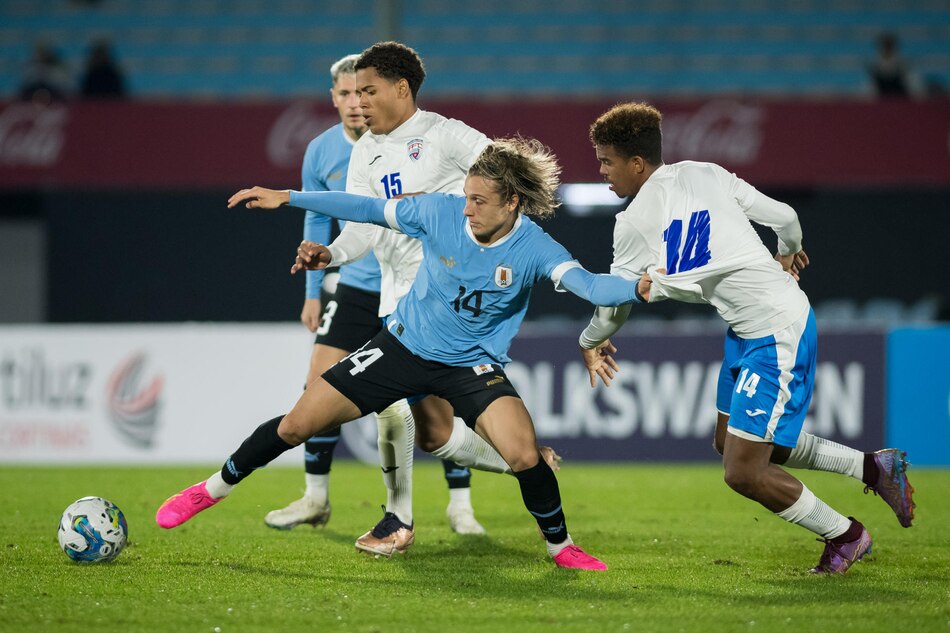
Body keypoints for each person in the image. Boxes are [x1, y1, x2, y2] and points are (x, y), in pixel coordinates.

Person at [155, 136, 643, 570]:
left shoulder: (535, 248)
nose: (467, 209)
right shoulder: (438, 212)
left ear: (513, 202)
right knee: (296, 425)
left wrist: (641, 287)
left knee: (521, 453)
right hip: (402, 347)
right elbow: (365, 208)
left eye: (479, 201)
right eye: (466, 197)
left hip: (470, 365)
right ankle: (209, 490)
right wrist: (287, 197)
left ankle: (561, 547)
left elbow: (592, 287)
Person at [577, 102, 916, 575]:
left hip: (777, 329)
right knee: (730, 440)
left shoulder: (632, 223)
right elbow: (786, 216)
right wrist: (789, 252)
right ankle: (873, 469)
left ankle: (846, 534)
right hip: (745, 328)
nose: (601, 172)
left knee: (743, 471)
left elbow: (615, 306)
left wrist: (590, 340)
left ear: (636, 163)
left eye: (606, 161)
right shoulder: (705, 172)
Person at [298, 41, 514, 555]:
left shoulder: (446, 134)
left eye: (369, 90)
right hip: (395, 298)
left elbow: (505, 176)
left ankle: (399, 522)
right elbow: (360, 230)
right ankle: (521, 460)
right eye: (353, 92)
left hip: (441, 293)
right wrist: (328, 255)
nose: (361, 102)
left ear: (399, 90)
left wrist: (443, 207)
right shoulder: (364, 153)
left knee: (393, 406)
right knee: (437, 430)